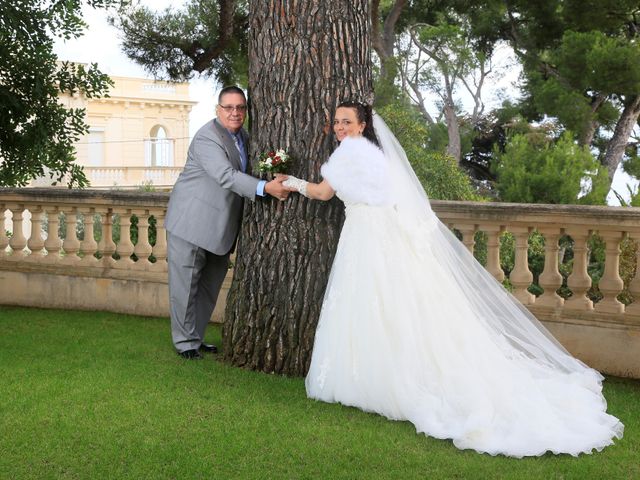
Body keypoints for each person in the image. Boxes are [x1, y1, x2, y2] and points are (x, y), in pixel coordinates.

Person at [282, 101, 624, 457]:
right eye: (336, 122)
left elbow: (323, 193)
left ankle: (371, 378)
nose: (339, 127)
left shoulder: (347, 154)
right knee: (389, 302)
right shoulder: (374, 154)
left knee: (368, 300)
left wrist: (288, 181)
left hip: (366, 234)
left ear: (363, 124)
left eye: (346, 121)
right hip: (382, 232)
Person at [165, 86, 290, 360]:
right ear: (217, 110)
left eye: (240, 108)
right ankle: (184, 342)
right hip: (191, 223)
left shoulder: (243, 137)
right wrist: (264, 188)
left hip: (220, 228)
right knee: (185, 287)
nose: (235, 113)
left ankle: (195, 338)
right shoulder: (206, 138)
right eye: (229, 107)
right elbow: (225, 175)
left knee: (209, 288)